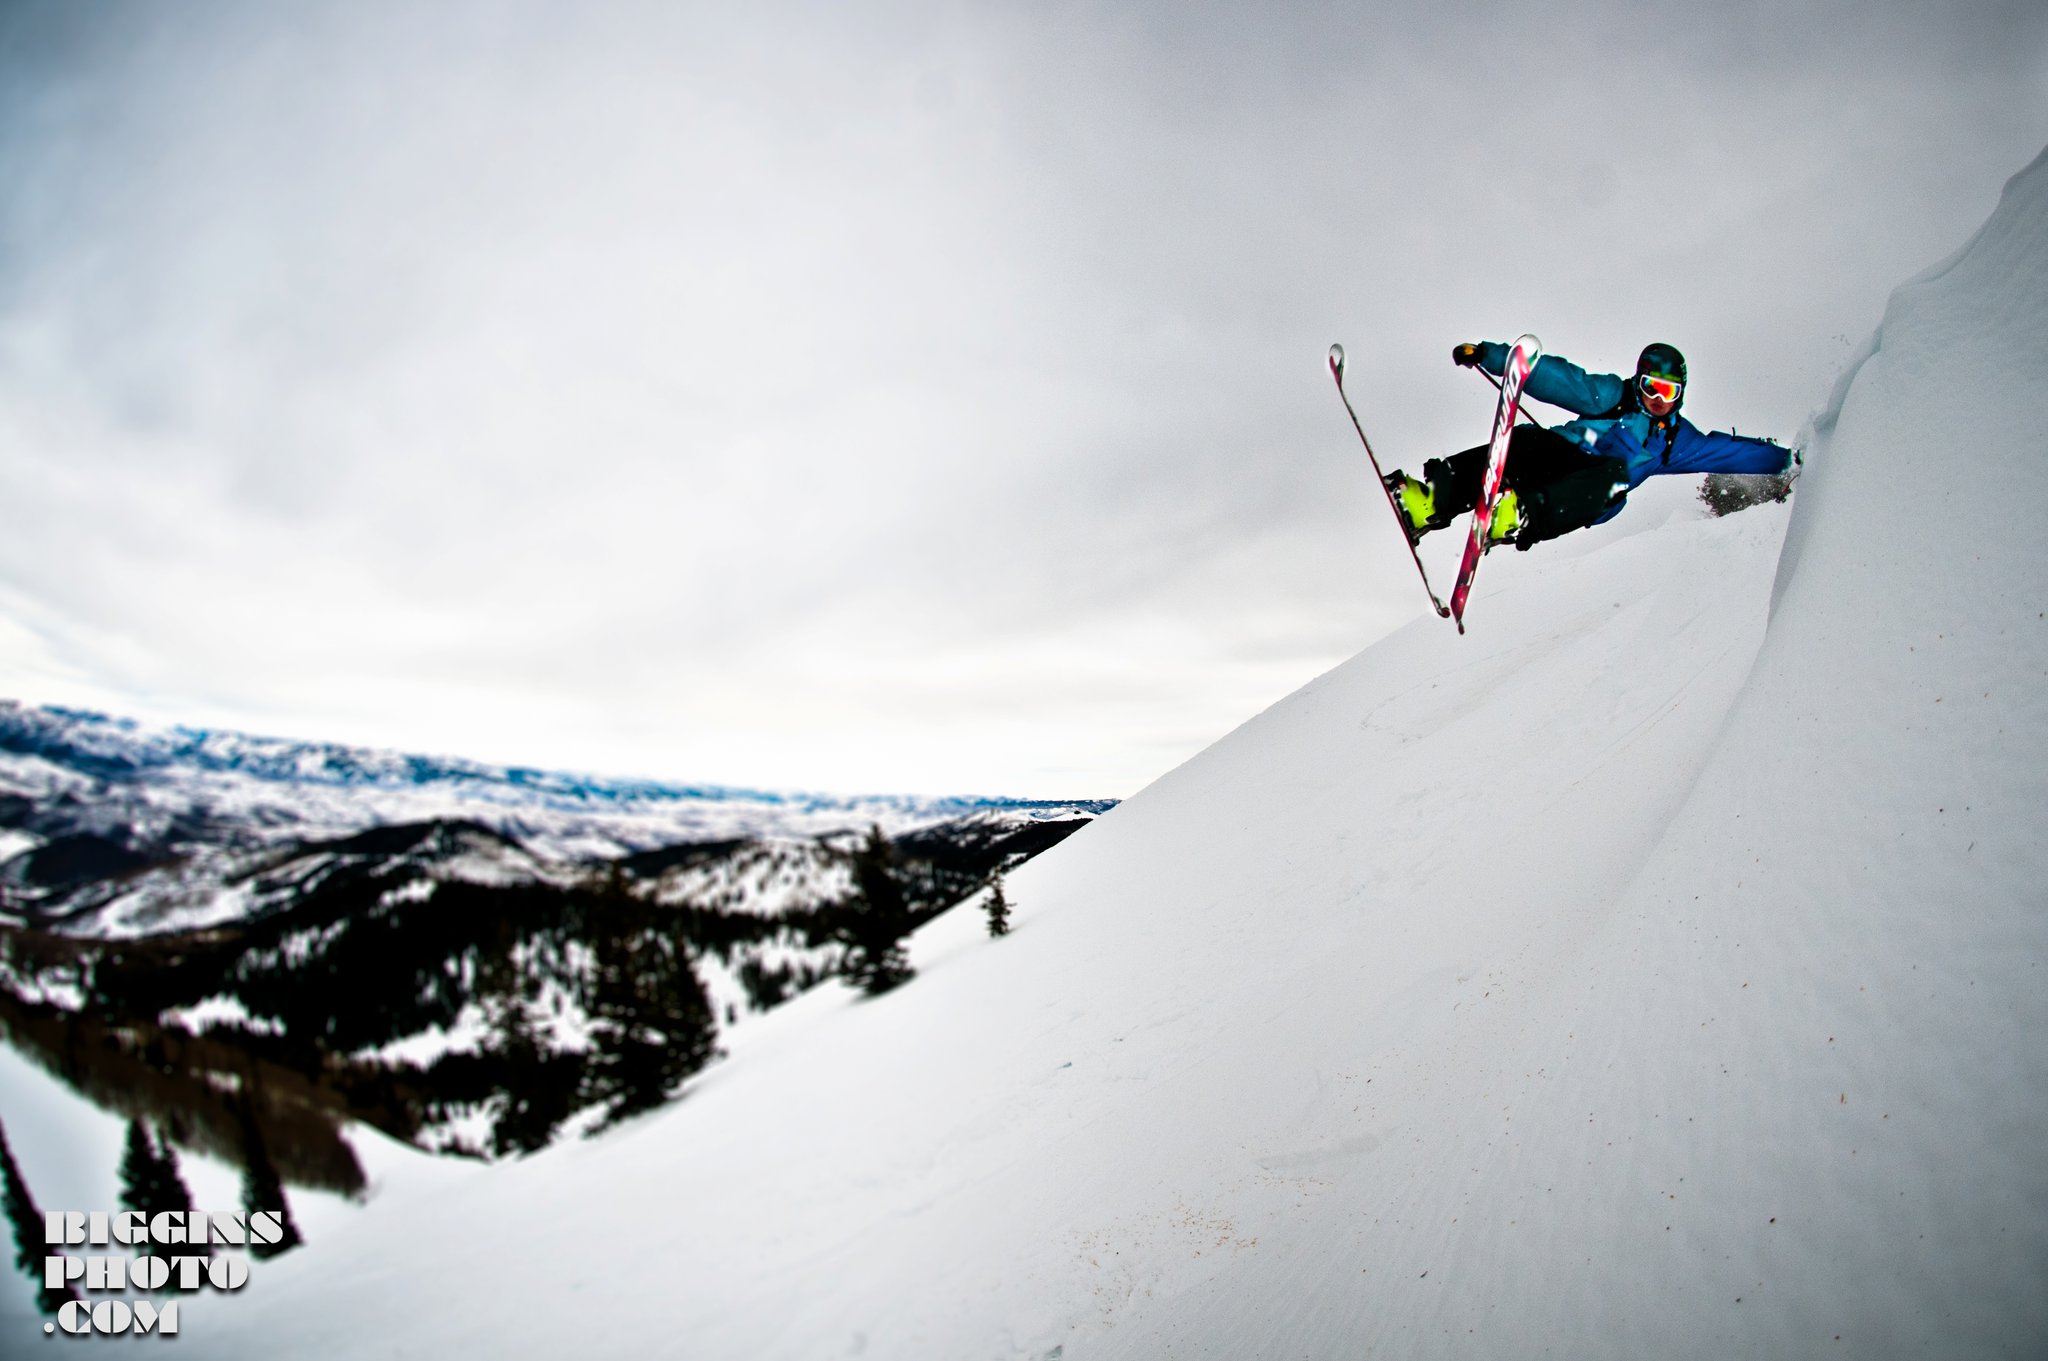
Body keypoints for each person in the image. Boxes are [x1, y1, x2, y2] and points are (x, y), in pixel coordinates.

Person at [1385, 340, 1795, 549]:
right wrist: (1496, 357)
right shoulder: (1614, 396)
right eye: (1652, 387)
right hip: (1560, 454)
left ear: (1680, 395)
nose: (1657, 399)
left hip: (1590, 490)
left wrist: (1785, 461)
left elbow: (1729, 452)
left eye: (1669, 392)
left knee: (1614, 475)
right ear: (1640, 381)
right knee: (1525, 441)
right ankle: (1432, 501)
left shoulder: (1674, 442)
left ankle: (1519, 514)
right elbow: (1563, 381)